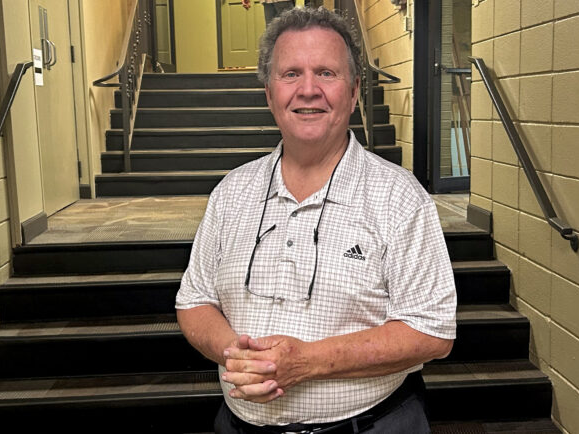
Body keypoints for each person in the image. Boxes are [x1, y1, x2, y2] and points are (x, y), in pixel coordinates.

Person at [176, 7, 457, 433]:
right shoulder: (231, 194)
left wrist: (305, 363)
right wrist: (238, 353)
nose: (308, 90)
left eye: (326, 73)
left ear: (355, 90)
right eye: (291, 74)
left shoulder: (400, 198)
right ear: (269, 93)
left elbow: (431, 330)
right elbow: (193, 300)